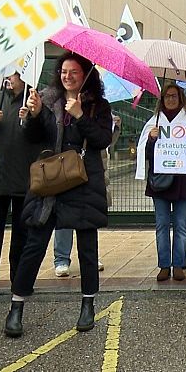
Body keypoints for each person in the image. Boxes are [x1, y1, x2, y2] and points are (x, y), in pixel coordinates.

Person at [5, 53, 113, 338]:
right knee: (34, 245)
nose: (68, 76)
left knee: (87, 248)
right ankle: (16, 306)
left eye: (74, 72)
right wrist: (34, 114)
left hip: (83, 181)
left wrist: (80, 116)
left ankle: (88, 305)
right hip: (51, 181)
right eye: (64, 71)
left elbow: (102, 140)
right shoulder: (48, 98)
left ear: (86, 74)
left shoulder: (98, 106)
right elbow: (32, 137)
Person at [0, 72, 43, 304]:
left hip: (24, 178)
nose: (8, 78)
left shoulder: (34, 97)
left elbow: (42, 134)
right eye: (6, 73)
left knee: (21, 234)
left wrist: (34, 116)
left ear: (23, 76)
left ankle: (19, 281)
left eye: (13, 74)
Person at [137, 83, 186, 282]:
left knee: (182, 225)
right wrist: (151, 139)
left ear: (180, 98)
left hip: (184, 182)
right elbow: (146, 154)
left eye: (174, 96)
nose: (171, 99)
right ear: (162, 99)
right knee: (162, 225)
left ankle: (178, 264)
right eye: (167, 96)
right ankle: (164, 265)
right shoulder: (154, 122)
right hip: (160, 182)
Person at [52, 113, 119, 278]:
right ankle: (61, 259)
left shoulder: (100, 109)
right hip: (67, 167)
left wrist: (115, 127)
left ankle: (90, 257)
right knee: (65, 215)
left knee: (89, 216)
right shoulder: (63, 108)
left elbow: (106, 142)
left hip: (92, 170)